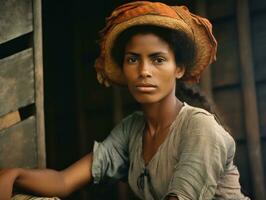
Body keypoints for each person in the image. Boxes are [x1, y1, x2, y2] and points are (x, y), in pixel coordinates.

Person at [0, 1, 250, 200]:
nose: (143, 71)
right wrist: (14, 175)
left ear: (179, 69)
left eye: (158, 59)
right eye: (133, 59)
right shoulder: (132, 130)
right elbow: (64, 182)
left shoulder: (200, 128)